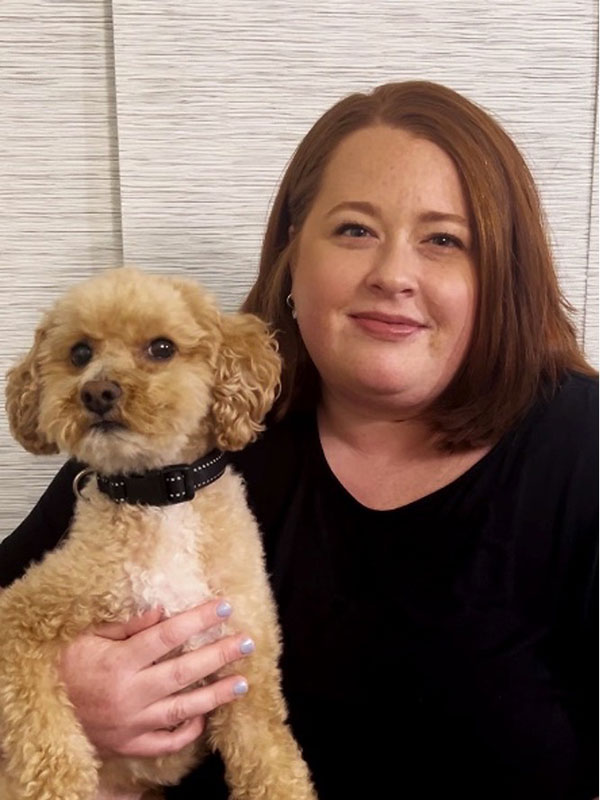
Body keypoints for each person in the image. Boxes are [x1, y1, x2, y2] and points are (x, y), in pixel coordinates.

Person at [1, 81, 597, 800]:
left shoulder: (580, 453)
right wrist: (67, 702)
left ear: (502, 274)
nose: (392, 276)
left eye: (444, 240)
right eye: (354, 230)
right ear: (293, 253)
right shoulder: (179, 437)